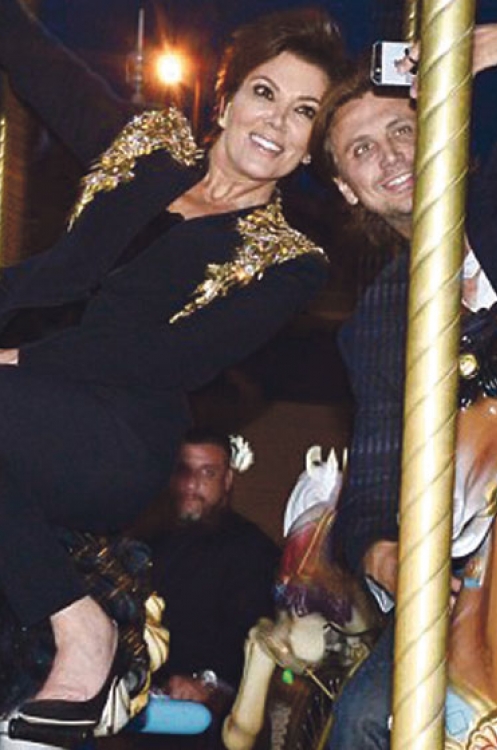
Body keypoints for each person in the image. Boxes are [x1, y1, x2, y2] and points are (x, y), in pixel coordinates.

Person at [0, 0, 345, 742]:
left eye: (304, 113)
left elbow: (169, 359)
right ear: (226, 100)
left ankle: (83, 632)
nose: (277, 120)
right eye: (265, 92)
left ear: (311, 147)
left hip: (115, 436)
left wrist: (20, 359)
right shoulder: (145, 147)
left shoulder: (289, 259)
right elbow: (37, 63)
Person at [308, 24, 497, 749]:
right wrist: (382, 552)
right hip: (469, 564)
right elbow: (372, 485)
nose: (388, 155)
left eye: (401, 130)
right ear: (346, 188)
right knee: (363, 719)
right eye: (361, 150)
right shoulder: (376, 322)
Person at [147, 429, 279, 723]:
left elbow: (255, 634)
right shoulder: (148, 543)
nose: (192, 484)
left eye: (208, 473)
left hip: (216, 719)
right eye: (184, 471)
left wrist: (210, 683)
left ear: (227, 480)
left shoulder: (252, 549)